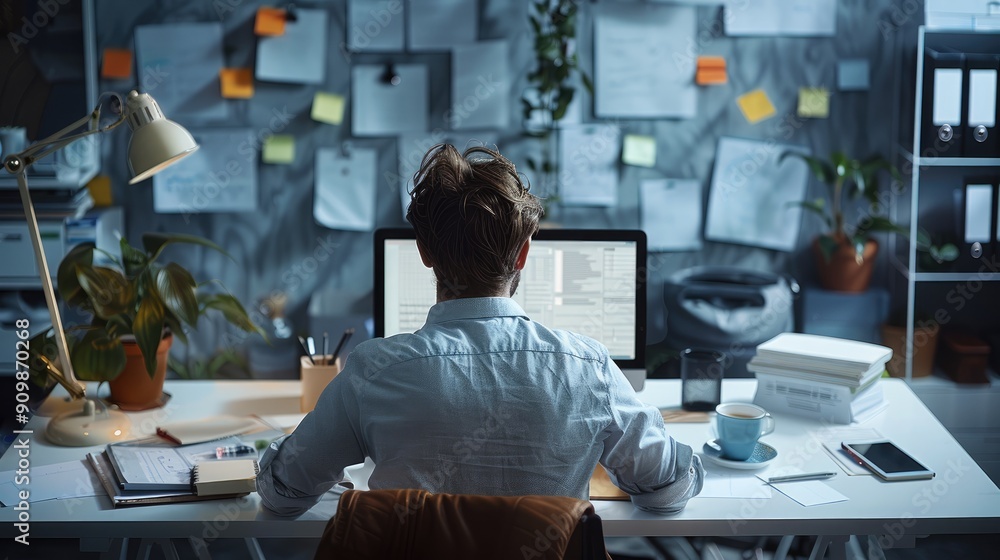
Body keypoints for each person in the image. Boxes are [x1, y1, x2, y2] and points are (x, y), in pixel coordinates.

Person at [257, 144, 704, 516]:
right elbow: (664, 492)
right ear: (524, 253)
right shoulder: (590, 368)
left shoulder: (372, 373)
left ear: (425, 253)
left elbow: (282, 496)